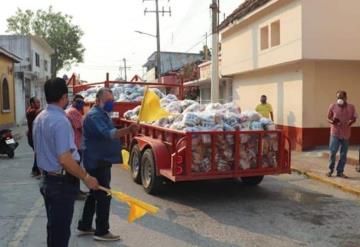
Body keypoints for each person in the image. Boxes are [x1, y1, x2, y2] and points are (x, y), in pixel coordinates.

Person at [33, 78, 99, 247]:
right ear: (64, 97)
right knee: (60, 233)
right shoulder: (60, 121)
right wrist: (86, 177)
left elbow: (39, 149)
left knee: (53, 229)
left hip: (48, 180)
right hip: (60, 184)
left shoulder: (40, 117)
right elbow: (65, 159)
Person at [77, 88, 139, 241]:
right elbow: (109, 134)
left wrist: (124, 129)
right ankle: (102, 231)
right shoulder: (95, 116)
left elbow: (110, 131)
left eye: (112, 100)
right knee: (104, 194)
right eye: (108, 101)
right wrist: (129, 130)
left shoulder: (102, 114)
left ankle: (85, 225)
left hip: (98, 159)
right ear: (98, 101)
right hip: (97, 161)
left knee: (94, 193)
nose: (111, 103)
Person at [327, 90, 357, 178]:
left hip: (346, 133)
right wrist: (332, 121)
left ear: (345, 98)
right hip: (335, 133)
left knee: (343, 154)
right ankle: (330, 170)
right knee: (332, 152)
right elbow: (328, 118)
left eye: (341, 97)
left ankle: (340, 172)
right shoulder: (332, 106)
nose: (339, 99)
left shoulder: (351, 107)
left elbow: (354, 118)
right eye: (338, 97)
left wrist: (351, 122)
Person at [66, 94, 87, 200]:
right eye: (78, 102)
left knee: (75, 169)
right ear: (73, 101)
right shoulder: (73, 112)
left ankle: (76, 190)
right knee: (75, 170)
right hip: (76, 145)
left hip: (75, 144)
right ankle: (75, 192)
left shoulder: (72, 111)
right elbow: (81, 128)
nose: (80, 104)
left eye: (82, 102)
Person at [26, 96, 42, 177]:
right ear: (32, 104)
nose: (39, 104)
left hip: (32, 135)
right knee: (38, 152)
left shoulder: (29, 109)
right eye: (37, 102)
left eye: (39, 102)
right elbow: (41, 112)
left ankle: (35, 170)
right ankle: (36, 170)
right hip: (33, 136)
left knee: (37, 153)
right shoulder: (32, 111)